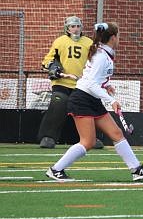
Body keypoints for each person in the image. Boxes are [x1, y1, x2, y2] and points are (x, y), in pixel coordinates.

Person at [45, 22, 143, 182]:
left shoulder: (103, 53)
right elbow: (90, 83)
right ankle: (56, 169)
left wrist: (106, 85)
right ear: (112, 38)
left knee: (117, 133)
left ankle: (136, 169)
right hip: (82, 100)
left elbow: (94, 79)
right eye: (118, 36)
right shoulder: (101, 56)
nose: (119, 39)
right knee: (88, 142)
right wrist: (111, 100)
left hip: (92, 99)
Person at [38, 16, 103, 149]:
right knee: (59, 101)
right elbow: (48, 59)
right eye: (72, 26)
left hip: (81, 84)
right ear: (67, 28)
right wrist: (52, 67)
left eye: (78, 26)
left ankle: (89, 138)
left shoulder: (88, 42)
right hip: (61, 82)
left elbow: (95, 62)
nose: (76, 29)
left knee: (85, 108)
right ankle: (48, 137)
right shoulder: (60, 41)